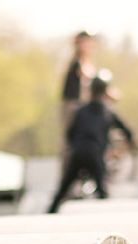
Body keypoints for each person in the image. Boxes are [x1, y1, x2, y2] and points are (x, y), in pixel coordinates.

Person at [47, 76, 132, 213]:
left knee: (63, 188)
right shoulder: (108, 111)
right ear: (105, 91)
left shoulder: (80, 111)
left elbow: (69, 134)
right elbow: (127, 132)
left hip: (77, 152)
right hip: (95, 153)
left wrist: (75, 146)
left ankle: (50, 212)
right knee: (102, 189)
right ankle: (108, 218)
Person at [60, 30, 100, 125]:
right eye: (86, 42)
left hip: (82, 105)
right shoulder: (77, 62)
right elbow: (89, 76)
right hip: (72, 105)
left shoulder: (87, 62)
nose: (89, 45)